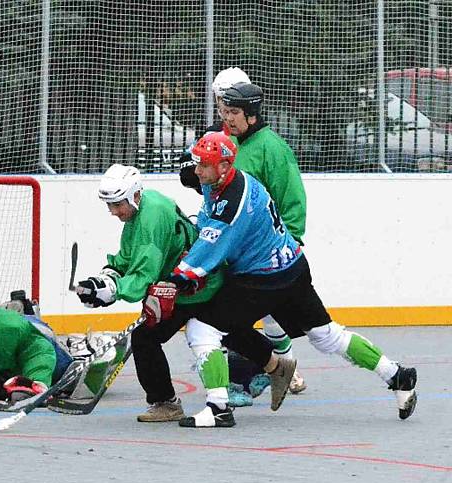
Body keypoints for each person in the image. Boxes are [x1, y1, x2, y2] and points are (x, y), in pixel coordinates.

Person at [168, 131, 417, 428]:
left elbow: (214, 242)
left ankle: (219, 408)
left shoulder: (235, 201)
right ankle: (397, 375)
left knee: (202, 328)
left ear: (222, 167)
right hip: (292, 267)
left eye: (202, 166)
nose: (196, 171)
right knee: (327, 335)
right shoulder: (224, 180)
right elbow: (210, 221)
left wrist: (180, 277)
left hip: (263, 279)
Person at [74, 164, 271, 422]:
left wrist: (112, 290)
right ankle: (274, 362)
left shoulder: (150, 218)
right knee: (225, 329)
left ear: (134, 195)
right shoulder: (145, 205)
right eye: (109, 205)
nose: (113, 212)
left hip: (192, 285)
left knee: (146, 338)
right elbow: (129, 258)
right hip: (191, 282)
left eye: (117, 204)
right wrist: (104, 278)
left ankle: (166, 403)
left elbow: (144, 275)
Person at [182, 77, 309, 395]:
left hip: (263, 246)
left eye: (229, 107)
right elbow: (205, 175)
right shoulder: (221, 136)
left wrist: (291, 239)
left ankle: (267, 372)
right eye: (221, 104)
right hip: (232, 244)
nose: (224, 114)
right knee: (236, 314)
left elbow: (291, 196)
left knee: (264, 316)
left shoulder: (271, 148)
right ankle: (266, 370)